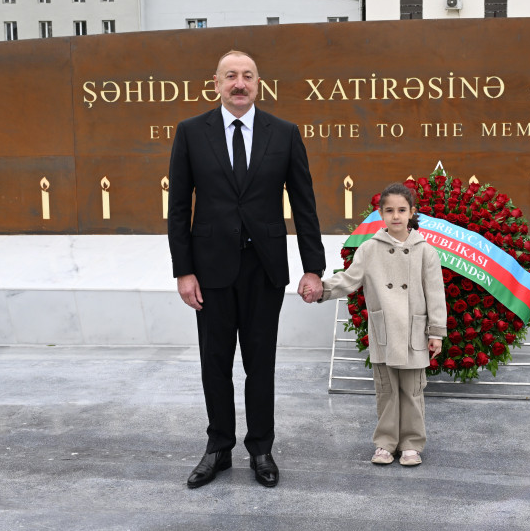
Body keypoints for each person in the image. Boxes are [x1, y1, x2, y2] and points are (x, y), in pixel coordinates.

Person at [167, 50, 325, 489]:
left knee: (261, 363)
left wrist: (313, 267)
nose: (240, 83)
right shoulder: (191, 133)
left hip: (265, 269)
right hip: (210, 270)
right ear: (215, 82)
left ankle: (260, 449)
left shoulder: (286, 133)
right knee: (214, 364)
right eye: (231, 76)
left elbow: (305, 206)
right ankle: (218, 447)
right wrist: (183, 270)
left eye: (248, 76)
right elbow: (179, 208)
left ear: (259, 83)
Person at [312, 183, 446, 466]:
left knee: (412, 392)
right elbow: (349, 279)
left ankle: (411, 443)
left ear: (412, 213)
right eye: (389, 210)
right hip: (385, 331)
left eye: (401, 210)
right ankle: (385, 443)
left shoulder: (425, 251)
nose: (396, 216)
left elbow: (435, 294)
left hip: (414, 332)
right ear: (381, 214)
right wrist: (321, 289)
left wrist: (436, 333)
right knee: (386, 391)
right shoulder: (370, 249)